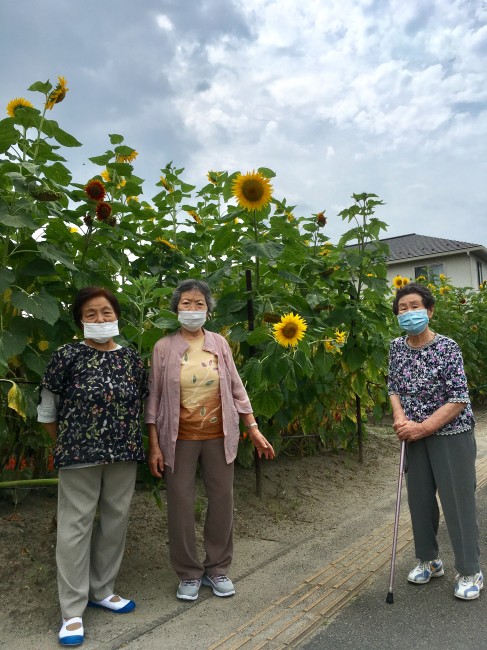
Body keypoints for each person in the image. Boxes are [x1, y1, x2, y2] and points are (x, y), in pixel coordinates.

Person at [145, 279, 275, 601]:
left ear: (208, 310)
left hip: (219, 435)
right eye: (186, 303)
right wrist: (154, 444)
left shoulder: (219, 343)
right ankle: (189, 573)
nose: (192, 309)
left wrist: (253, 427)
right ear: (176, 309)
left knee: (222, 501)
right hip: (178, 439)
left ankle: (217, 568)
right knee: (180, 504)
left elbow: (236, 386)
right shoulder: (164, 347)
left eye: (199, 304)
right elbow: (154, 398)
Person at [37, 287, 148, 646]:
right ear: (80, 321)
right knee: (75, 526)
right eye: (90, 314)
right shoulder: (67, 355)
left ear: (116, 316)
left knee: (116, 519)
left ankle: (103, 590)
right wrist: (66, 441)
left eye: (105, 312)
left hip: (123, 453)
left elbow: (142, 405)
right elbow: (48, 410)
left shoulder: (131, 358)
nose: (99, 319)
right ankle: (72, 611)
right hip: (79, 455)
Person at [388, 282, 482, 600]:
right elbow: (393, 387)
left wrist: (422, 428)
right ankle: (429, 561)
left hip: (450, 434)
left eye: (415, 306)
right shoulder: (396, 348)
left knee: (458, 503)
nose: (409, 312)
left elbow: (457, 398)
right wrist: (400, 418)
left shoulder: (448, 347)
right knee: (420, 501)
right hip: (414, 436)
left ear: (429, 311)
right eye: (403, 308)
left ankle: (470, 571)